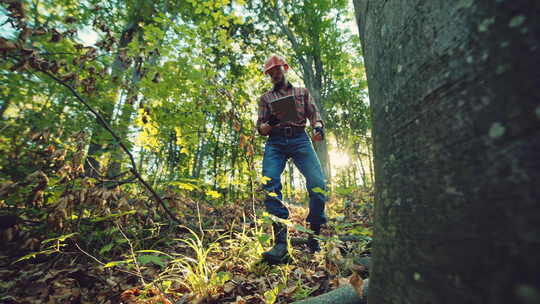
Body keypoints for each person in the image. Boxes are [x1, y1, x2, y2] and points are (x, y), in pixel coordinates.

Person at [256, 54, 328, 264]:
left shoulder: (301, 92)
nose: (274, 74)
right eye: (270, 72)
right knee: (269, 182)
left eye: (277, 70)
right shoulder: (265, 99)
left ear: (285, 69)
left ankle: (314, 235)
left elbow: (314, 114)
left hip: (299, 139)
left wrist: (318, 127)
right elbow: (261, 128)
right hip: (276, 141)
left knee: (318, 184)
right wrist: (270, 121)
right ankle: (280, 243)